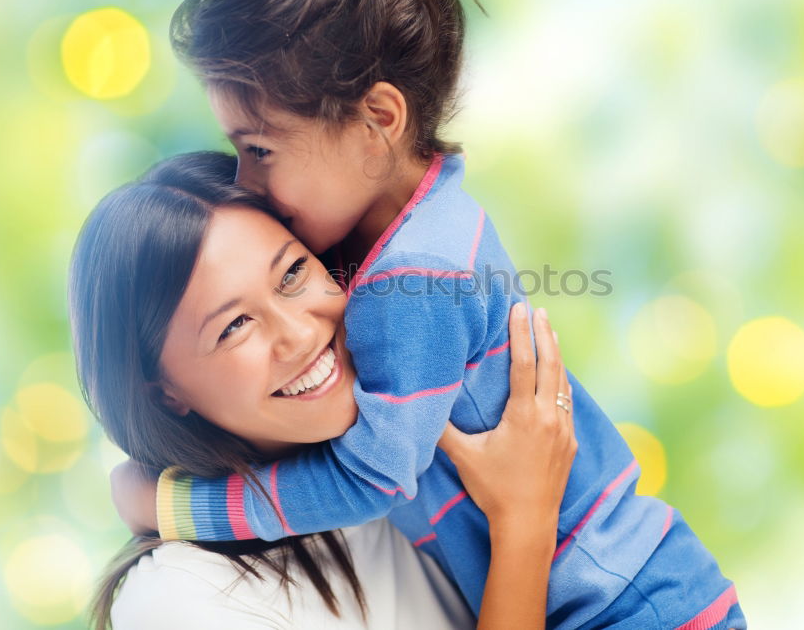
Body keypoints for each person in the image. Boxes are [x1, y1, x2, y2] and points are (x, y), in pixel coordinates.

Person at [114, 0, 746, 627]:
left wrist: (174, 505)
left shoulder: (413, 279)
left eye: (260, 149)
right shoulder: (423, 221)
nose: (246, 182)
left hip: (626, 605)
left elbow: (370, 477)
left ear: (378, 122)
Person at [70, 151, 578, 629]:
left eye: (293, 272)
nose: (300, 335)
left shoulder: (404, 429)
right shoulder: (178, 598)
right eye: (234, 326)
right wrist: (524, 520)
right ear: (164, 395)